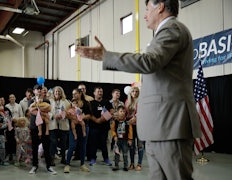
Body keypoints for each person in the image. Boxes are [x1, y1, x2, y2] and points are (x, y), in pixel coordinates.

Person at [75, 0, 201, 179]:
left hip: (170, 125)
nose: (144, 15)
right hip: (160, 127)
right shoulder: (162, 34)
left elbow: (149, 62)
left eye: (147, 9)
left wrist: (107, 56)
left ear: (161, 7)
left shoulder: (172, 29)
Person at [28, 84, 57, 175]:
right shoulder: (30, 100)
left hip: (45, 127)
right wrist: (40, 109)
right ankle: (34, 166)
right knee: (34, 147)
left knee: (46, 147)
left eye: (40, 89)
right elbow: (31, 111)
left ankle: (49, 166)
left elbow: (48, 108)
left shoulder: (46, 100)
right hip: (34, 127)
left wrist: (37, 108)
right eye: (37, 89)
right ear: (34, 91)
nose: (39, 90)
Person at [64, 88, 92, 173]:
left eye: (75, 93)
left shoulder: (86, 103)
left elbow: (90, 115)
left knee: (83, 146)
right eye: (73, 94)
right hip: (74, 128)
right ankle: (67, 164)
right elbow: (66, 114)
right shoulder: (70, 104)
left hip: (84, 126)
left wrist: (82, 117)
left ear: (80, 93)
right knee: (72, 146)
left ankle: (82, 165)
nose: (74, 95)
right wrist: (73, 117)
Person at [49, 86, 70, 165]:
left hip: (63, 124)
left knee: (63, 143)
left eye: (59, 91)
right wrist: (53, 116)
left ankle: (63, 158)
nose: (57, 93)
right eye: (56, 91)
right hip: (53, 124)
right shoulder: (49, 101)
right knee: (53, 142)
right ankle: (52, 158)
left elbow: (69, 111)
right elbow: (47, 111)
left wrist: (64, 114)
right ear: (53, 93)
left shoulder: (66, 101)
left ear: (61, 93)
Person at [125, 87, 144, 171]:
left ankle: (139, 164)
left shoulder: (141, 101)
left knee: (140, 145)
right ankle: (132, 163)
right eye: (133, 91)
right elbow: (125, 113)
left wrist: (135, 118)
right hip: (130, 126)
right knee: (131, 146)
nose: (135, 93)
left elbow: (141, 112)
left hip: (140, 125)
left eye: (137, 91)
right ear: (130, 92)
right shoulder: (127, 101)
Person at [110, 105, 132, 171]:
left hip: (125, 140)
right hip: (117, 140)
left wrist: (130, 139)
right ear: (117, 112)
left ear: (125, 113)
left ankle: (125, 166)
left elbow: (130, 131)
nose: (122, 113)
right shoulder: (115, 121)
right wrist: (114, 136)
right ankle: (116, 165)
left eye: (123, 111)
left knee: (125, 153)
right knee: (117, 153)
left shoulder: (127, 122)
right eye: (120, 111)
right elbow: (112, 129)